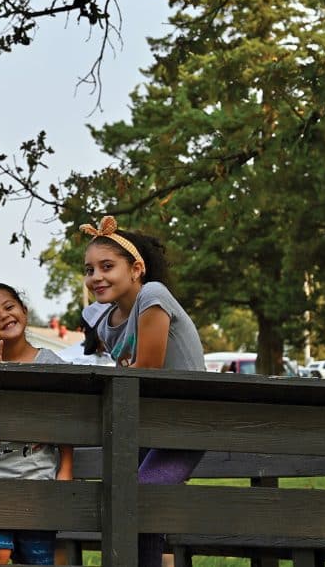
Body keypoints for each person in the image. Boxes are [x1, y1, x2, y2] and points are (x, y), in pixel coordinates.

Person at [80, 215, 206, 567]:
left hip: (188, 422)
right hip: (148, 425)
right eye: (89, 270)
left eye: (107, 266)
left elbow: (145, 371)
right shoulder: (106, 322)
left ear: (136, 269)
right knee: (126, 500)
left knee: (140, 497)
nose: (96, 277)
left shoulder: (153, 295)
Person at [0, 283, 74, 565]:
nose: (3, 315)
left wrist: (65, 468)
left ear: (24, 310)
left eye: (9, 306)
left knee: (36, 557)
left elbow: (67, 417)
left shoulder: (52, 363)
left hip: (38, 481)